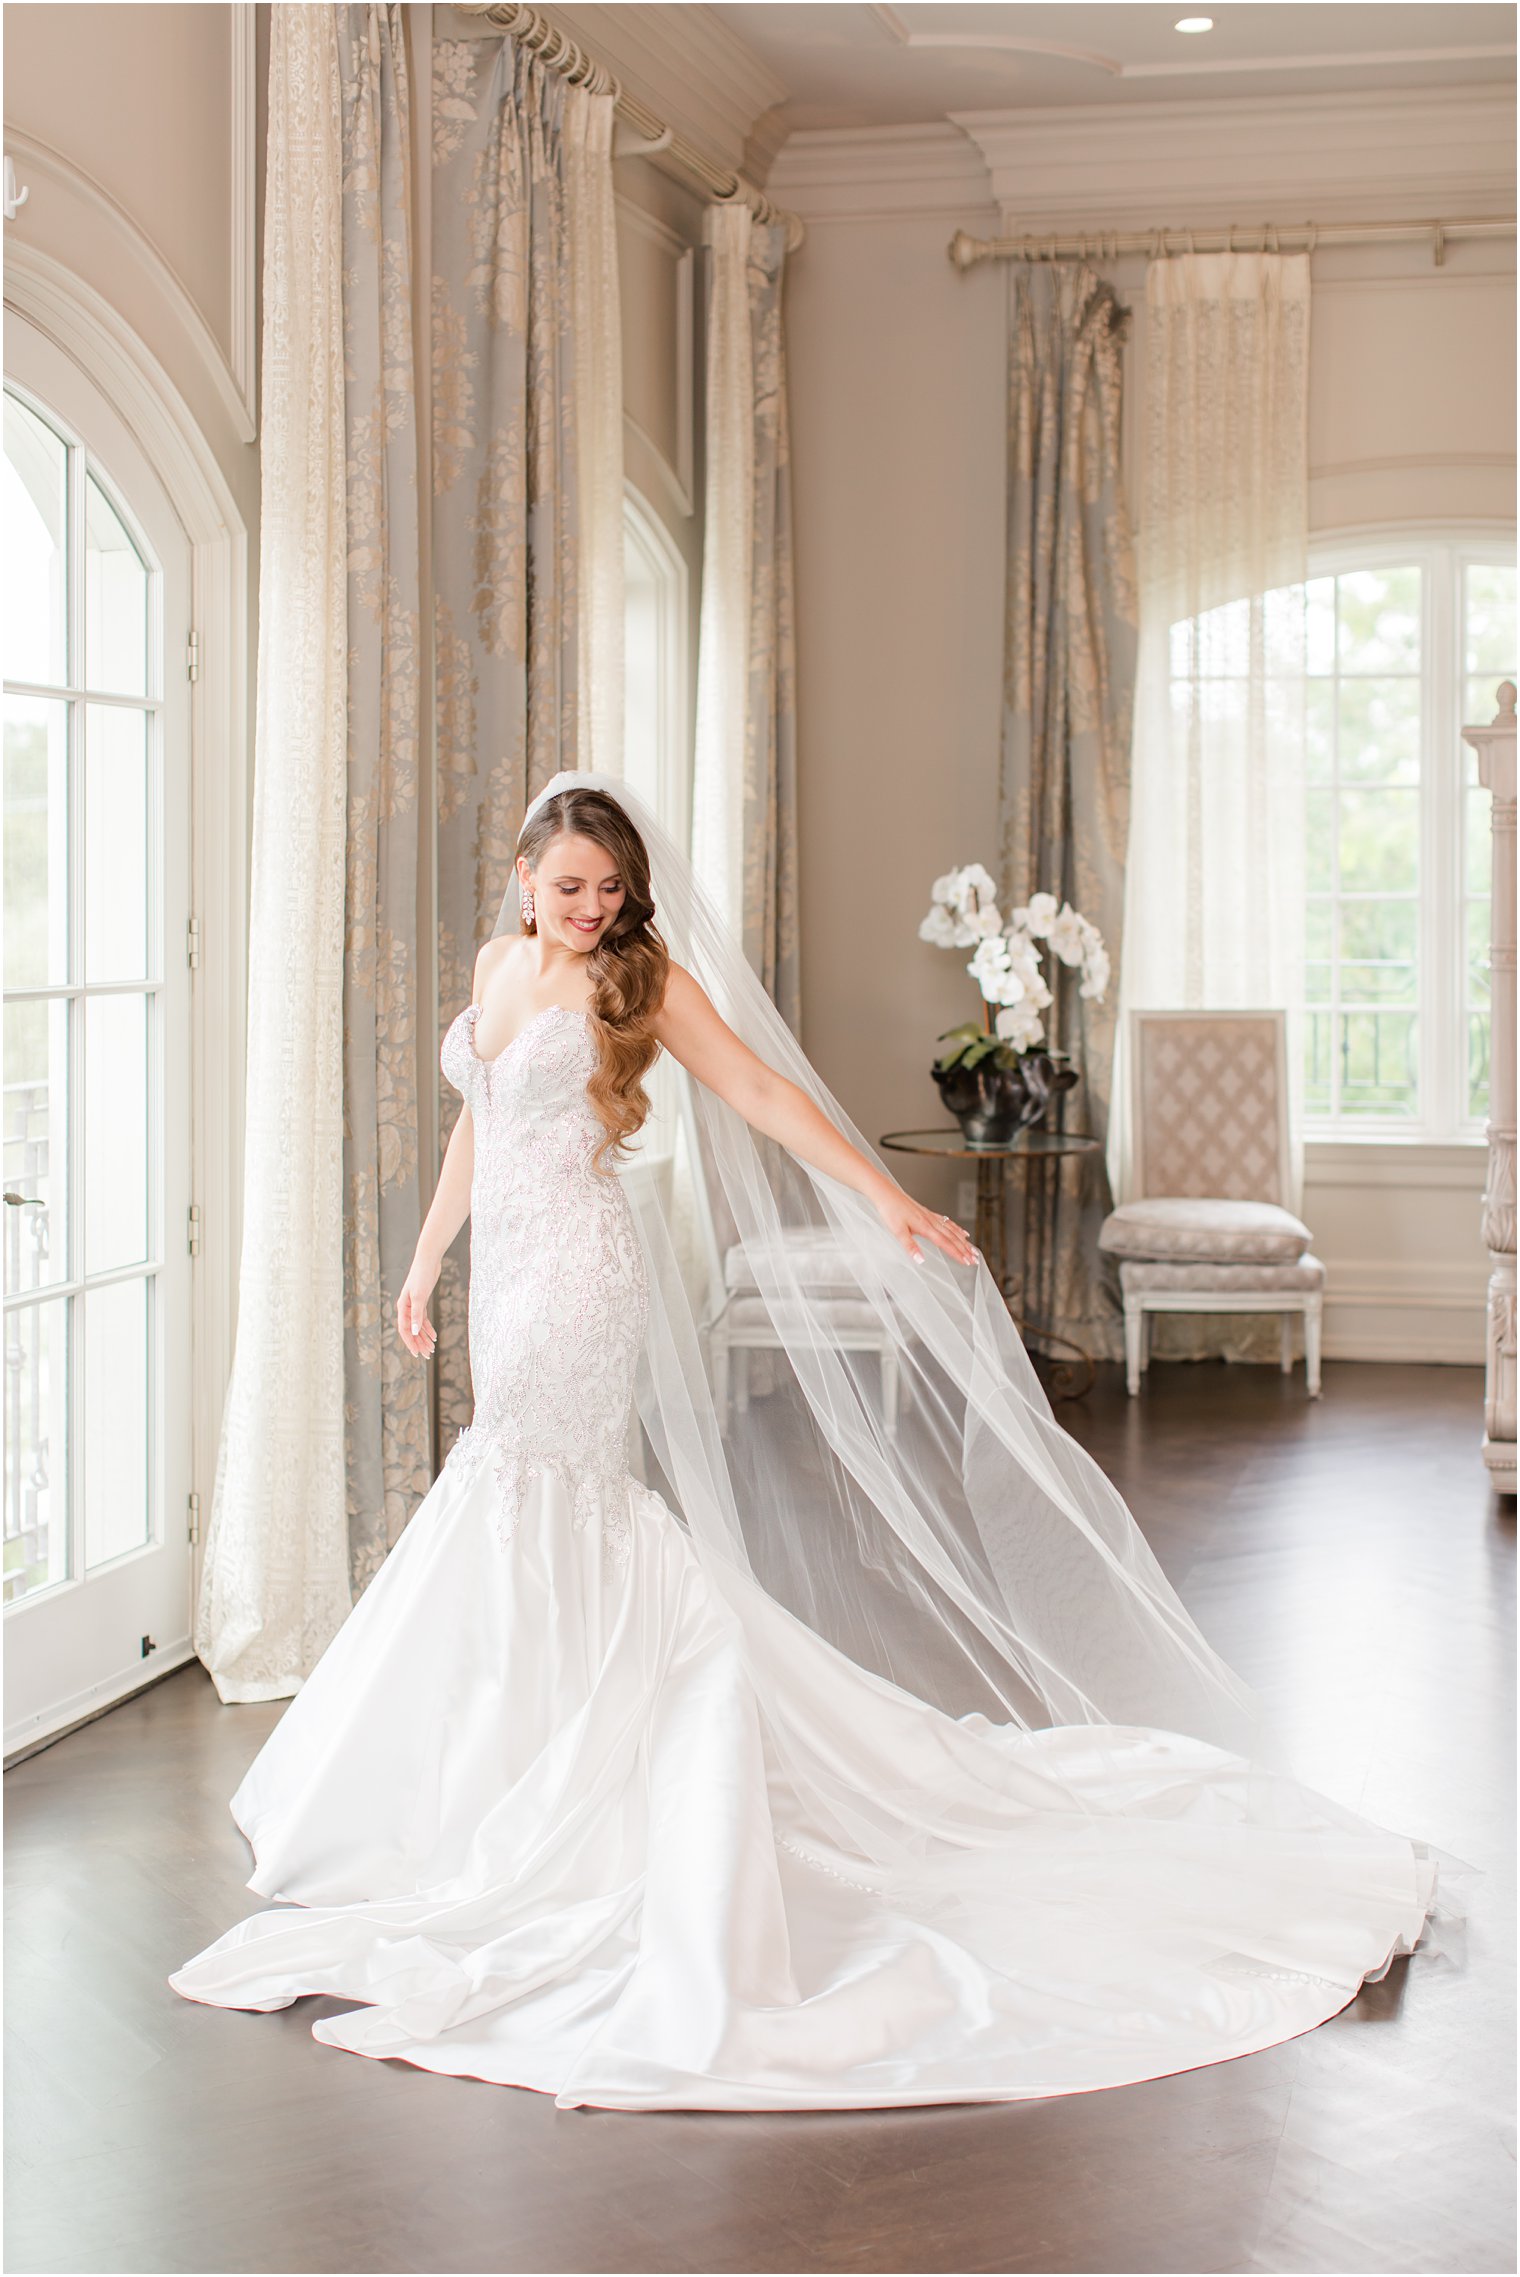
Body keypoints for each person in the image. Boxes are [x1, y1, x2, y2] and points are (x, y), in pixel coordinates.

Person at [170, 772, 1457, 2112]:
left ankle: (559, 1790)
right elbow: (475, 1129)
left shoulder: (639, 983)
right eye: (570, 888)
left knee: (539, 1493)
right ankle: (501, 1776)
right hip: (506, 1280)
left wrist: (889, 1204)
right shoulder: (500, 963)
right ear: (522, 876)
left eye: (610, 891)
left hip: (581, 1286)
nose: (592, 909)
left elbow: (766, 1095)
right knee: (511, 1494)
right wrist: (430, 1262)